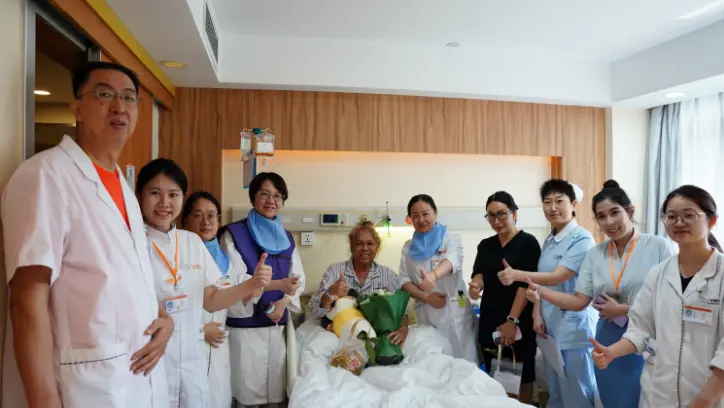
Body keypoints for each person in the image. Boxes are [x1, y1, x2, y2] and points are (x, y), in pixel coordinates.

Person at [2, 61, 172, 408]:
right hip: (85, 386)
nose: (119, 106)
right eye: (104, 94)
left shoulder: (124, 189)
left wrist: (164, 318)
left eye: (129, 97)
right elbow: (26, 297)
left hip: (134, 379)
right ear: (76, 108)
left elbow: (127, 275)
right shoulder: (46, 175)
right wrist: (43, 400)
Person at [525, 180, 675, 408]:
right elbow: (579, 300)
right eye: (601, 216)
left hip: (647, 335)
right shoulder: (595, 254)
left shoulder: (659, 246)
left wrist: (624, 309)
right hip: (607, 335)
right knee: (611, 399)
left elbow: (670, 301)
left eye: (615, 213)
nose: (609, 222)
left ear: (630, 210)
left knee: (643, 399)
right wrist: (541, 292)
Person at [137, 159, 271, 408]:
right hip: (151, 359)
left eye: (173, 194)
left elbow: (210, 300)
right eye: (155, 193)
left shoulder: (191, 242)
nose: (164, 202)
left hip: (191, 362)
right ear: (139, 195)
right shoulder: (133, 244)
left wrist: (252, 284)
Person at [591, 185, 724, 408]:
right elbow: (640, 327)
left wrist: (705, 400)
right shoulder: (658, 274)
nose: (679, 222)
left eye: (689, 215)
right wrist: (611, 352)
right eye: (671, 216)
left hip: (709, 397)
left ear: (711, 221)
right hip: (658, 394)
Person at [497, 179, 598, 408]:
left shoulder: (582, 238)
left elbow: (557, 277)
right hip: (550, 328)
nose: (553, 208)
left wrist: (516, 275)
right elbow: (541, 283)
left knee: (577, 394)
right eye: (547, 202)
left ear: (573, 204)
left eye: (559, 201)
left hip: (574, 329)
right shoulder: (550, 240)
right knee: (555, 393)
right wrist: (536, 313)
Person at [218, 172, 305, 408]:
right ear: (253, 196)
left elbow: (297, 278)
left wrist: (284, 302)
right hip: (244, 329)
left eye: (277, 196)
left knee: (275, 397)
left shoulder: (286, 238)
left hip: (276, 328)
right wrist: (277, 285)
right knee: (245, 396)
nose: (271, 201)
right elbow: (234, 278)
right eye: (264, 194)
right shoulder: (232, 234)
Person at [469, 191, 541, 403]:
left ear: (514, 213)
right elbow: (479, 273)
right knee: (496, 376)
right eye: (491, 216)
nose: (496, 221)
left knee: (521, 377)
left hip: (519, 320)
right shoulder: (485, 245)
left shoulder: (528, 243)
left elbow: (525, 285)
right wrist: (476, 285)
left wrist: (511, 321)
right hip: (490, 317)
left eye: (501, 214)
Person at [398, 194, 478, 364]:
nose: (421, 219)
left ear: (435, 213)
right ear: (410, 219)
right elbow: (403, 281)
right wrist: (427, 297)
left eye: (426, 214)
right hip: (426, 315)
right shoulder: (407, 248)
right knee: (435, 364)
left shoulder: (450, 238)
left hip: (455, 312)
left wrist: (433, 276)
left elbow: (452, 260)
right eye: (415, 216)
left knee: (465, 363)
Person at [182, 191, 239, 408]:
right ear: (185, 220)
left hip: (218, 344)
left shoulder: (224, 258)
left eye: (211, 215)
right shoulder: (178, 255)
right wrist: (199, 331)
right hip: (189, 345)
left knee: (218, 396)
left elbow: (236, 299)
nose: (206, 222)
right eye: (198, 215)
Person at [308, 221, 409, 345]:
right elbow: (315, 311)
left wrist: (404, 328)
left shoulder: (388, 275)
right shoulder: (335, 271)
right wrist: (330, 293)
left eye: (370, 243)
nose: (365, 248)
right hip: (338, 334)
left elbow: (402, 310)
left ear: (377, 247)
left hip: (374, 334)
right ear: (351, 247)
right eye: (359, 243)